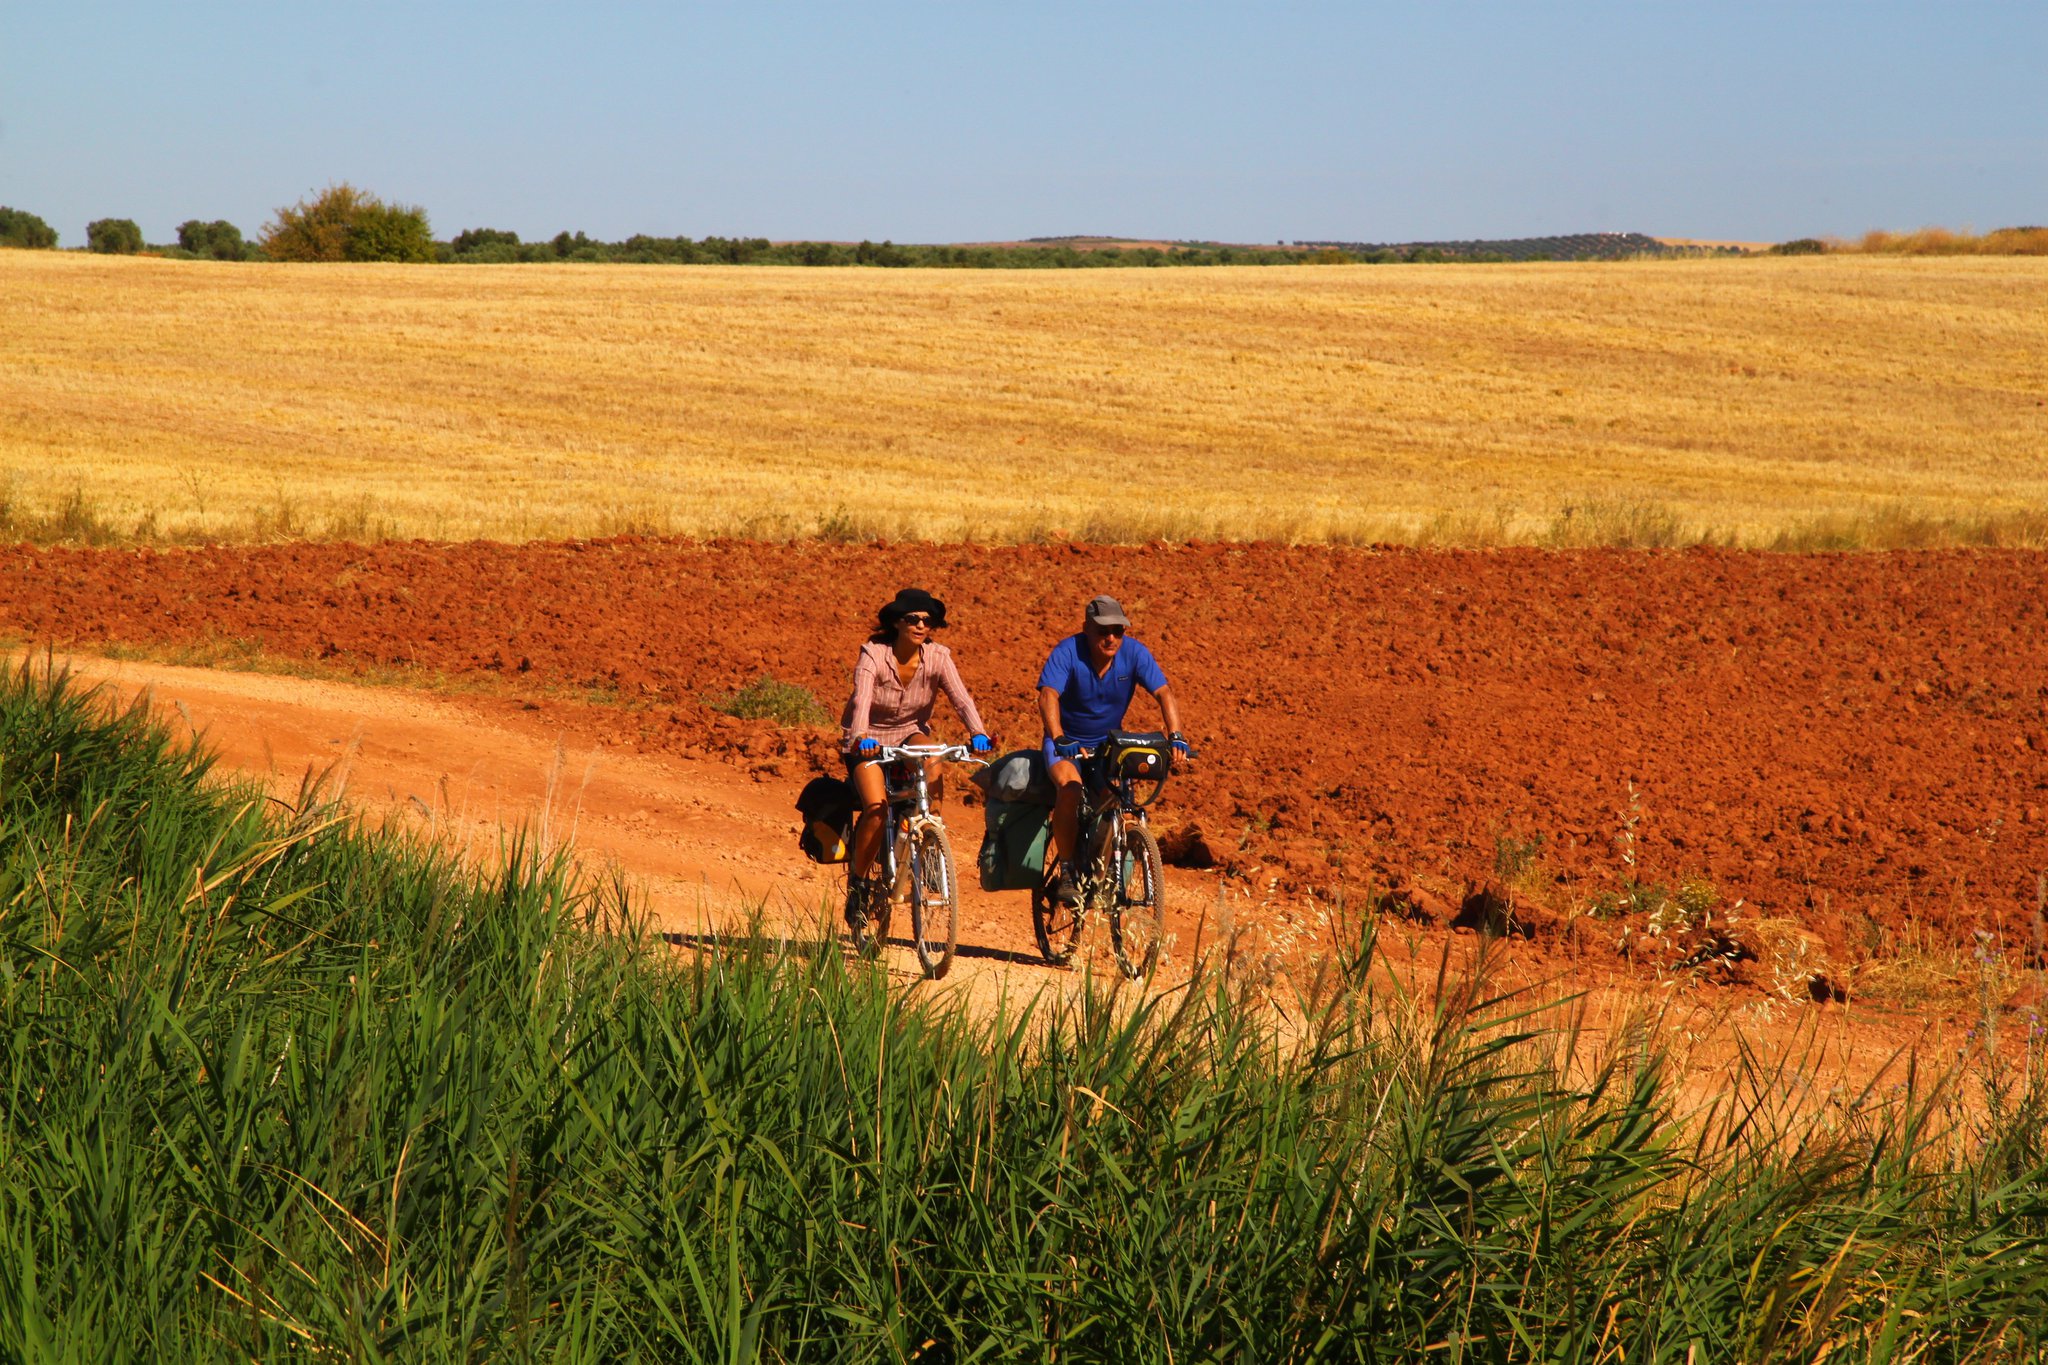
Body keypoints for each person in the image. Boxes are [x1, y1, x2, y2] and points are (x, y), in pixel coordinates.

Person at [841, 588, 992, 918]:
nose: (921, 625)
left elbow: (961, 699)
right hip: (868, 741)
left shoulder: (938, 657)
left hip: (909, 734)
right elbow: (861, 700)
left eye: (927, 620)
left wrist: (977, 731)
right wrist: (861, 736)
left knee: (932, 754)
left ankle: (930, 840)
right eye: (913, 618)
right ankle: (858, 884)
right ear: (897, 622)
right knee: (877, 808)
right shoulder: (873, 655)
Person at [1037, 595, 1191, 905]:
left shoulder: (1134, 653)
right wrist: (1059, 736)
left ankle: (1100, 871)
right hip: (1066, 744)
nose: (1111, 638)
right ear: (1086, 629)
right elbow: (1048, 695)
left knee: (1114, 800)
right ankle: (1067, 870)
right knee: (1070, 788)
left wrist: (1176, 736)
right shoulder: (1068, 651)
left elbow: (1163, 692)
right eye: (1103, 631)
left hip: (1108, 744)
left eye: (1118, 631)